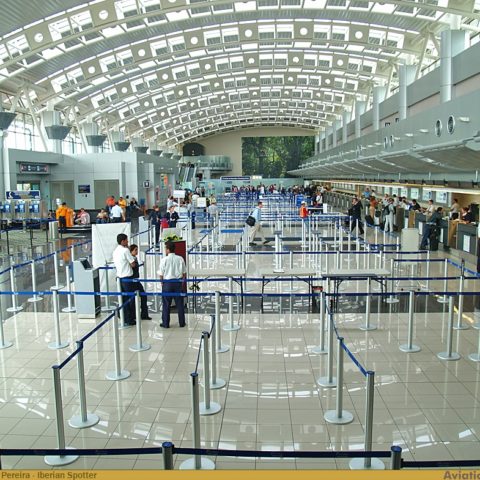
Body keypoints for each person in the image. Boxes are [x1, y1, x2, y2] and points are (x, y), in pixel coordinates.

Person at [158, 240, 186, 328]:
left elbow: (161, 274)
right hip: (177, 282)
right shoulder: (180, 258)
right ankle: (182, 323)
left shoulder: (164, 260)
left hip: (167, 283)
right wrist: (181, 282)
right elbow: (184, 273)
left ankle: (165, 323)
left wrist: (162, 283)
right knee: (180, 304)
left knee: (166, 304)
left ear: (168, 249)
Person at [112, 233, 137, 326]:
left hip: (119, 278)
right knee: (130, 299)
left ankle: (124, 317)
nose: (127, 242)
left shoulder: (115, 251)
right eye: (126, 240)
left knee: (123, 299)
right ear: (122, 241)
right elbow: (133, 264)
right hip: (127, 278)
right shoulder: (125, 250)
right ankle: (130, 318)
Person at [129, 244, 151, 320]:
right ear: (131, 251)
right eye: (135, 250)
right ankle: (133, 315)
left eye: (137, 249)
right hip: (132, 281)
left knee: (143, 296)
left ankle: (144, 314)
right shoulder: (130, 259)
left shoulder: (135, 258)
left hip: (136, 280)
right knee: (133, 299)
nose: (137, 251)